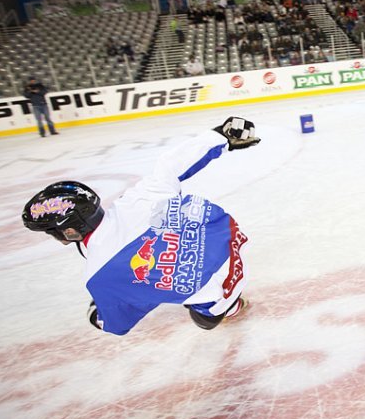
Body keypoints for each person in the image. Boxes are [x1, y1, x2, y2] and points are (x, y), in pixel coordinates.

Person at [21, 117, 261, 335]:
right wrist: (221, 135)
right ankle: (227, 302)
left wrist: (96, 311)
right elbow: (171, 165)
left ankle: (229, 307)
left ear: (69, 231)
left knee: (204, 319)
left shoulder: (98, 275)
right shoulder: (138, 198)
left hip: (215, 290)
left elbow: (114, 323)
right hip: (229, 243)